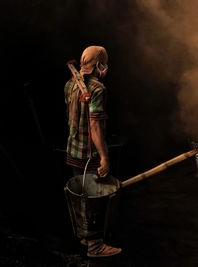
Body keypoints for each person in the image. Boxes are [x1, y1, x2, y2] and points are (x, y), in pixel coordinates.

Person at [64, 45, 122, 257]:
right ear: (99, 65)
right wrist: (104, 157)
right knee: (94, 199)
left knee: (81, 197)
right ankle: (95, 246)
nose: (105, 68)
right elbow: (95, 126)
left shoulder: (70, 84)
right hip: (90, 156)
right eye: (104, 64)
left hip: (73, 151)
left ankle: (85, 236)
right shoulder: (97, 89)